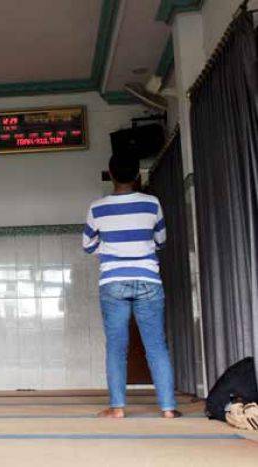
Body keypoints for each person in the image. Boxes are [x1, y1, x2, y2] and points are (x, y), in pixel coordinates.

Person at [82, 154, 181, 419]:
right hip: (148, 278)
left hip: (112, 281)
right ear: (138, 175)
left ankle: (117, 408)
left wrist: (111, 251)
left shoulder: (97, 208)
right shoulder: (151, 204)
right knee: (157, 346)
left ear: (111, 175)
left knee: (116, 347)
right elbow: (161, 239)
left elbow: (87, 245)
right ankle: (168, 408)